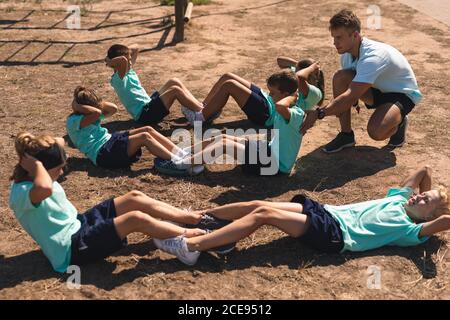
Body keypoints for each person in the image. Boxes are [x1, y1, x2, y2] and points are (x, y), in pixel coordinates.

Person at [153, 166, 450, 266]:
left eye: (426, 201)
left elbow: (444, 222)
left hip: (335, 236)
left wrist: (432, 214)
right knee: (260, 203)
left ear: (428, 218)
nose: (420, 195)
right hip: (327, 213)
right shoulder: (399, 200)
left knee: (264, 214)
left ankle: (191, 248)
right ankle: (197, 219)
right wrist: (429, 196)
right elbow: (424, 170)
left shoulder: (409, 231)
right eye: (424, 193)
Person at [8, 132, 211, 271]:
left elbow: (58, 143)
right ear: (37, 169)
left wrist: (38, 153)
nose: (61, 172)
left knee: (134, 197)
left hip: (80, 223)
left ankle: (188, 217)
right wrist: (36, 165)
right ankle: (185, 235)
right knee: (135, 219)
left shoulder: (37, 177)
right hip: (72, 249)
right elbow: (44, 188)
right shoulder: (22, 192)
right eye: (57, 169)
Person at [301, 9, 422, 152]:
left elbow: (350, 95)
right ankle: (346, 135)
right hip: (377, 89)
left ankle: (399, 121)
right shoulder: (346, 55)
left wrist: (319, 113)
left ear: (355, 35)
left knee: (375, 132)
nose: (335, 42)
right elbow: (347, 94)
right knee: (341, 77)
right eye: (333, 37)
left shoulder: (373, 57)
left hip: (401, 95)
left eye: (339, 37)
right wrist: (340, 107)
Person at [66, 86, 204, 175]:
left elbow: (113, 108)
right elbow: (96, 113)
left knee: (147, 129)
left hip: (110, 141)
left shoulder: (87, 115)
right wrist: (78, 106)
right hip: (103, 154)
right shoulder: (74, 121)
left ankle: (181, 153)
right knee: (144, 137)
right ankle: (180, 163)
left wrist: (87, 103)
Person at [105, 44, 203, 125]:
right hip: (145, 116)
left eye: (130, 59)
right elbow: (122, 60)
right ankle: (202, 114)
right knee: (175, 90)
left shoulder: (128, 71)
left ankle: (199, 106)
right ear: (117, 64)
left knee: (174, 81)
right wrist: (109, 61)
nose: (130, 63)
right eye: (127, 61)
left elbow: (136, 48)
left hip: (149, 105)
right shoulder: (118, 79)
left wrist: (115, 57)